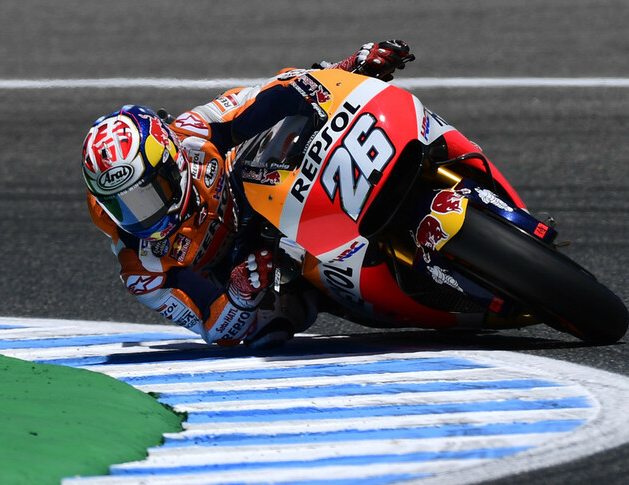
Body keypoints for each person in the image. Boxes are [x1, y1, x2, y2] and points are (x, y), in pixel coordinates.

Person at [82, 41, 414, 347]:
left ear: (172, 163)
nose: (141, 216)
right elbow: (212, 328)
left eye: (147, 196)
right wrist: (240, 294)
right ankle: (365, 291)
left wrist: (348, 69)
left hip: (257, 183)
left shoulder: (194, 132)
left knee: (299, 116)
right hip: (244, 265)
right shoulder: (142, 269)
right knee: (263, 328)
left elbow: (274, 93)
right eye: (122, 207)